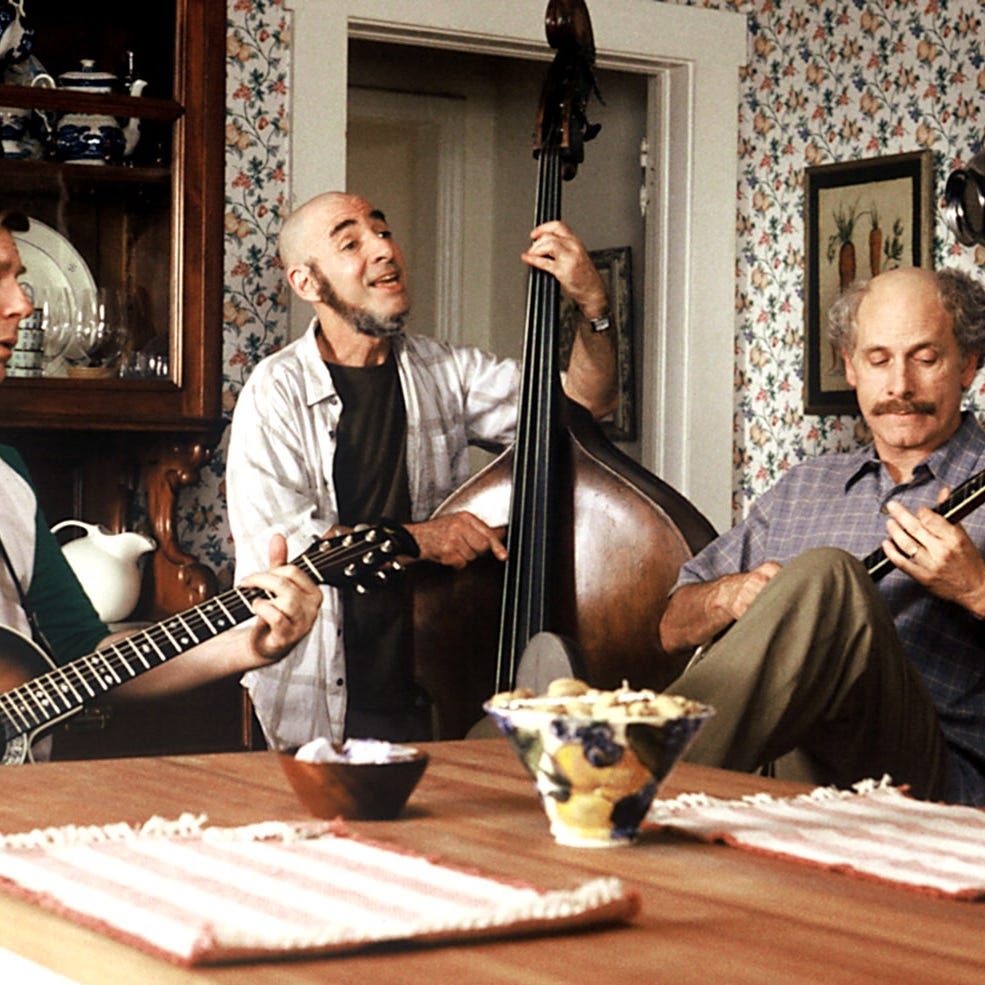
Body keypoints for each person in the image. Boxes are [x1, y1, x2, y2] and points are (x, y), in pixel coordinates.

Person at [226, 191, 617, 749]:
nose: (383, 249)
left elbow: (585, 407)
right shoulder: (274, 393)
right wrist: (421, 540)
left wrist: (593, 306)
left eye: (382, 231)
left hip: (435, 681)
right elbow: (293, 556)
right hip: (319, 695)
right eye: (351, 242)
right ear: (307, 284)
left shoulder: (447, 371)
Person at [660, 264, 985, 806]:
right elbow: (672, 626)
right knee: (821, 585)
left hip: (931, 778)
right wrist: (728, 595)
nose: (900, 385)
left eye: (925, 359)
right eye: (878, 360)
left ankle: (631, 770)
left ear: (969, 365)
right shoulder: (806, 486)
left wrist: (975, 587)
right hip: (790, 771)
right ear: (851, 368)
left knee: (829, 576)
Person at [0, 210, 323, 740]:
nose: (23, 305)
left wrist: (249, 643)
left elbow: (90, 657)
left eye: (20, 279)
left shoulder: (7, 477)